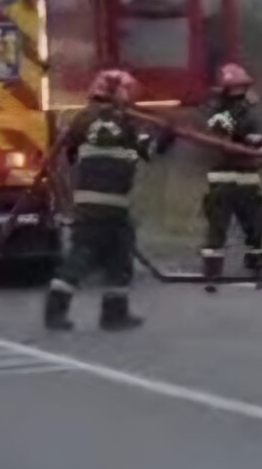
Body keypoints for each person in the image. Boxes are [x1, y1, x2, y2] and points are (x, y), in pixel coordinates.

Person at [43, 69, 171, 332]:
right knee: (93, 257)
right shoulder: (123, 123)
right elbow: (149, 149)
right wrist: (168, 135)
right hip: (109, 204)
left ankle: (106, 313)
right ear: (119, 93)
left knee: (113, 256)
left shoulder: (81, 120)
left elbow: (69, 153)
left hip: (94, 204)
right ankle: (102, 314)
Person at [198, 63, 262, 292]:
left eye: (242, 89)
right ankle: (212, 275)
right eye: (236, 90)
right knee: (218, 230)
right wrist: (242, 113)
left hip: (246, 180)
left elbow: (261, 145)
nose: (240, 95)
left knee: (255, 228)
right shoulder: (218, 114)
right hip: (224, 181)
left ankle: (256, 270)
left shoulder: (247, 115)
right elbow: (226, 134)